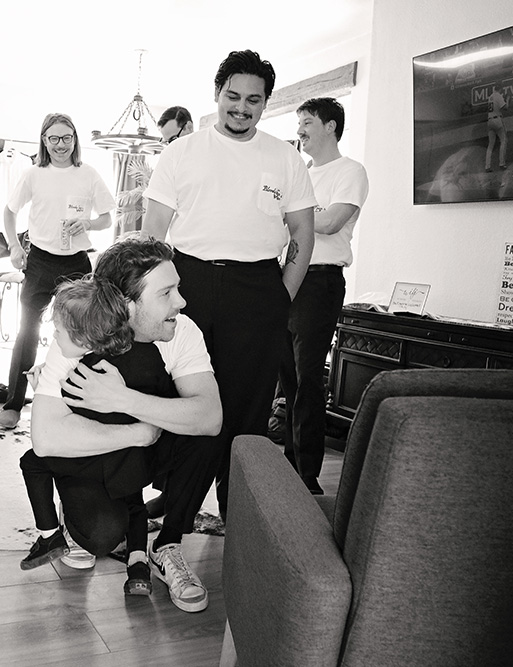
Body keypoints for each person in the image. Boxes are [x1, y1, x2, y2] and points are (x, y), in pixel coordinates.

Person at [142, 50, 316, 519]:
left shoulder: (285, 158)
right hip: (188, 279)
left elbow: (302, 231)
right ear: (217, 95)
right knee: (181, 391)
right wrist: (145, 295)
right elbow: (153, 229)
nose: (242, 107)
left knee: (247, 402)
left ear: (266, 104)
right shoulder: (181, 152)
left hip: (258, 285)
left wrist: (283, 295)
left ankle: (236, 506)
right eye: (233, 96)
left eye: (254, 100)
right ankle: (178, 495)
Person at [31, 236, 223, 613]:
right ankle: (79, 516)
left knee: (206, 433)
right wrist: (135, 431)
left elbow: (210, 417)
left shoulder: (182, 331)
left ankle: (167, 546)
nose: (181, 302)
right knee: (101, 535)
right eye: (166, 293)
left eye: (177, 289)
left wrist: (122, 399)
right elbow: (45, 438)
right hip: (97, 455)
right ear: (125, 304)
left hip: (149, 447)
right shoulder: (78, 330)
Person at [20, 276, 173, 597]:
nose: (54, 336)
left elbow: (65, 426)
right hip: (137, 465)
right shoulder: (150, 356)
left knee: (32, 461)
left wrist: (40, 391)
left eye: (59, 332)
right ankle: (138, 566)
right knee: (133, 504)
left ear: (85, 337)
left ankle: (49, 534)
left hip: (95, 462)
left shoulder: (84, 371)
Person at [0, 113, 116, 430]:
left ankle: (75, 405)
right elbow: (9, 212)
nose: (61, 144)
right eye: (54, 138)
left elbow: (107, 217)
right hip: (40, 262)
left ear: (75, 140)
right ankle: (13, 405)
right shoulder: (34, 174)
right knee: (27, 333)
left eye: (66, 138)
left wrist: (88, 223)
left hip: (75, 263)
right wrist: (15, 247)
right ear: (44, 141)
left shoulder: (88, 174)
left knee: (79, 334)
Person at [277, 97, 369, 494]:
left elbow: (330, 222)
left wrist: (292, 214)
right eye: (298, 122)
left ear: (331, 126)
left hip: (320, 282)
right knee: (286, 378)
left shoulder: (350, 171)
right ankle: (287, 464)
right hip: (284, 278)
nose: (300, 129)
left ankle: (307, 474)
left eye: (308, 122)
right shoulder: (299, 173)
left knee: (308, 377)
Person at [485, 84, 508, 172]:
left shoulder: (490, 96)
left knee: (490, 145)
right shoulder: (498, 96)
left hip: (489, 121)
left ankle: (487, 166)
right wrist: (508, 100)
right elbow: (505, 108)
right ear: (501, 89)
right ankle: (502, 163)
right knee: (504, 140)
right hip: (497, 120)